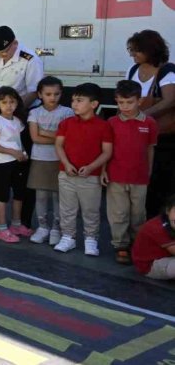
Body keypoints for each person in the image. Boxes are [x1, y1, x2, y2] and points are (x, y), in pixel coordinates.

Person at [0, 25, 44, 228]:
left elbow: (34, 92)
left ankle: (23, 218)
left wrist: (12, 111)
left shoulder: (30, 59)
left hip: (20, 118)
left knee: (21, 168)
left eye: (5, 51)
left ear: (14, 44)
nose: (2, 56)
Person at [54, 83, 113, 256]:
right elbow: (59, 146)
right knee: (67, 209)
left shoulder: (103, 126)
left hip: (90, 177)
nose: (74, 104)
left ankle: (91, 239)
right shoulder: (66, 123)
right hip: (67, 174)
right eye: (73, 100)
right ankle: (68, 237)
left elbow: (107, 151)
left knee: (91, 210)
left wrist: (91, 167)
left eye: (79, 100)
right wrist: (66, 164)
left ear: (94, 104)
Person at [103, 79, 158, 264]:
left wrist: (149, 171)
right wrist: (103, 170)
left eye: (130, 102)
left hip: (140, 177)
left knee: (138, 214)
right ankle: (120, 245)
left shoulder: (149, 123)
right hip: (116, 176)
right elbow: (106, 150)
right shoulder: (111, 122)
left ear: (139, 101)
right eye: (120, 102)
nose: (125, 106)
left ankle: (138, 243)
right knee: (118, 213)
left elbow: (150, 148)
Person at [124, 30, 175, 218]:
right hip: (140, 136)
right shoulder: (132, 70)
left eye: (136, 50)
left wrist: (141, 115)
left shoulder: (167, 70)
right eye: (131, 50)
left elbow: (170, 100)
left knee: (160, 182)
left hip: (164, 138)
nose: (132, 54)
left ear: (150, 50)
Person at [25, 76, 73, 246]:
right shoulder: (34, 113)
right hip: (40, 158)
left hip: (60, 159)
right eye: (48, 94)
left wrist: (44, 132)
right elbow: (35, 138)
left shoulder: (68, 112)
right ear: (39, 94)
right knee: (41, 195)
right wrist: (57, 137)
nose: (52, 97)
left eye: (56, 94)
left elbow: (67, 138)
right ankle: (42, 227)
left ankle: (56, 228)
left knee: (58, 196)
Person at [0, 86, 31, 243]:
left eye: (12, 102)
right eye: (4, 102)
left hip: (17, 162)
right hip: (3, 164)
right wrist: (12, 152)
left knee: (19, 194)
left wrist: (22, 153)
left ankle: (16, 224)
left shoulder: (18, 121)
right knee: (3, 195)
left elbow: (17, 141)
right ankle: (2, 228)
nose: (8, 105)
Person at [131, 194, 175, 280]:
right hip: (151, 265)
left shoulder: (169, 221)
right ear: (167, 210)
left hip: (167, 257)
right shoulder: (158, 227)